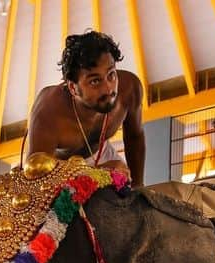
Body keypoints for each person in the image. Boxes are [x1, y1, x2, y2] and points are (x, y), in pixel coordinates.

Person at [26, 30, 146, 186]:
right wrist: (96, 172)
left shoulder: (129, 89)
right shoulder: (48, 113)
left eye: (111, 74)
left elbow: (135, 137)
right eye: (95, 81)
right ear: (72, 88)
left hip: (103, 156)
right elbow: (36, 171)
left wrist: (138, 188)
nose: (108, 89)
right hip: (57, 172)